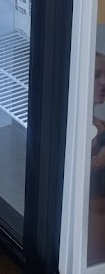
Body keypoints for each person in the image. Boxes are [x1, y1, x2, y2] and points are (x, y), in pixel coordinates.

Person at [89, 52, 105, 264]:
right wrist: (99, 162)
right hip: (89, 227)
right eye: (96, 75)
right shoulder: (68, 128)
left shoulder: (102, 127)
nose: (104, 82)